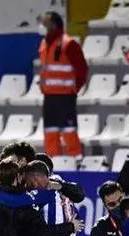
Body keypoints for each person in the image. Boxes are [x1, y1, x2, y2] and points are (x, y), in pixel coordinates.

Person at [38, 12, 88, 157]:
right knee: (50, 131)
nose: (42, 26)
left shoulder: (69, 43)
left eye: (45, 23)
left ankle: (75, 160)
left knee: (69, 130)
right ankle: (52, 163)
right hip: (49, 96)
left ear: (53, 25)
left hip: (66, 96)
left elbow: (82, 69)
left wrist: (74, 89)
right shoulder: (44, 44)